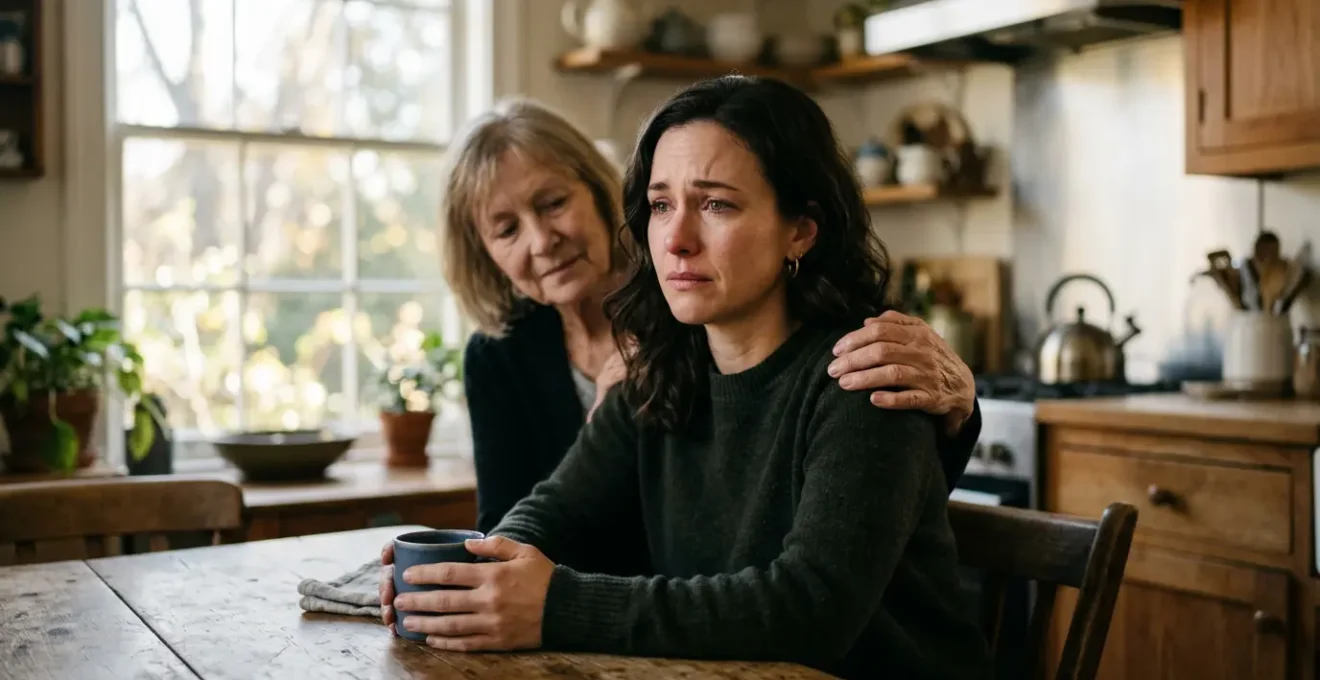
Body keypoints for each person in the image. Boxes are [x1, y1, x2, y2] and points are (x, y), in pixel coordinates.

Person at [381, 76, 993, 680]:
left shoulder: (866, 373)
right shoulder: (662, 370)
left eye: (716, 204)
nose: (676, 240)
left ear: (801, 229)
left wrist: (554, 606)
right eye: (660, 205)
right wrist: (468, 573)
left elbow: (809, 609)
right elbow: (555, 512)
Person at [439, 97, 983, 534]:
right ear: (482, 251)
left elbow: (839, 512)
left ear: (600, 193)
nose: (541, 241)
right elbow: (518, 526)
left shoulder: (700, 308)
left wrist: (954, 415)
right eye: (506, 229)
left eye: (553, 203)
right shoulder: (502, 354)